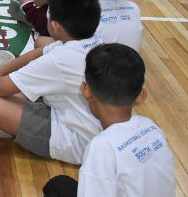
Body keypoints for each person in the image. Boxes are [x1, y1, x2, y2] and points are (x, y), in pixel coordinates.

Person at [0, 0, 102, 165]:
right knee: (37, 53)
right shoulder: (93, 41)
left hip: (71, 141)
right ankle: (25, 80)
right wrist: (4, 71)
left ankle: (1, 126)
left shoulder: (60, 59)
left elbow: (0, 87)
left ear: (54, 25)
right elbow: (38, 53)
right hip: (75, 116)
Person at [42, 44, 175, 196]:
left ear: (86, 90)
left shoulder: (102, 148)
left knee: (57, 188)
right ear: (141, 95)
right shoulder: (153, 129)